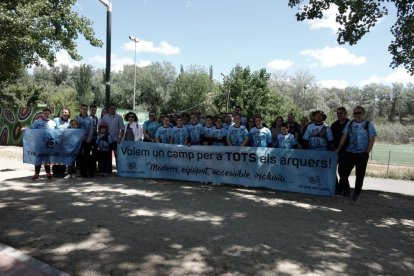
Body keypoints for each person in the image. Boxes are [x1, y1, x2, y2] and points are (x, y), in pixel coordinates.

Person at [336, 106, 377, 201]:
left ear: (363, 113)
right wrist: (339, 148)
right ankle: (342, 189)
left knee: (360, 175)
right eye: (354, 113)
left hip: (362, 153)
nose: (356, 115)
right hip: (350, 152)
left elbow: (372, 139)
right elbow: (344, 136)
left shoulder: (368, 124)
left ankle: (356, 194)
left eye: (358, 113)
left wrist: (367, 152)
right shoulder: (350, 123)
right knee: (343, 172)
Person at [30, 108, 57, 180]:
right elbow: (31, 130)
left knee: (47, 159)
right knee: (38, 159)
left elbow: (56, 133)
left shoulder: (53, 123)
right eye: (45, 113)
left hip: (49, 144)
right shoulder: (37, 122)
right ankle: (36, 174)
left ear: (50, 114)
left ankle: (48, 173)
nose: (46, 115)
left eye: (48, 114)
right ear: (42, 113)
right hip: (39, 144)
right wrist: (25, 130)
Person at [331, 107, 350, 193]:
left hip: (346, 151)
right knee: (332, 170)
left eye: (341, 113)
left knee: (342, 171)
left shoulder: (350, 124)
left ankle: (345, 190)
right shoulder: (334, 125)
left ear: (345, 114)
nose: (339, 115)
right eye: (337, 113)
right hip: (335, 151)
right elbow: (330, 137)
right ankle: (336, 188)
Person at [75, 104, 92, 177]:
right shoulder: (77, 117)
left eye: (86, 109)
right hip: (79, 140)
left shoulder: (90, 118)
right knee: (78, 156)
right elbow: (75, 128)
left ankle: (85, 171)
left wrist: (88, 139)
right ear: (81, 109)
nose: (84, 110)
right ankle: (78, 170)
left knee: (86, 155)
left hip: (87, 139)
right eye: (83, 109)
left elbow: (91, 130)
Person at [52, 107, 71, 177]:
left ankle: (62, 172)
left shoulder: (70, 121)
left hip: (65, 142)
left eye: (66, 112)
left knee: (63, 157)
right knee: (56, 156)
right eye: (63, 112)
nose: (64, 114)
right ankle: (55, 172)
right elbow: (52, 129)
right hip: (56, 141)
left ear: (69, 113)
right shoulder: (56, 120)